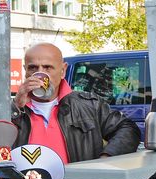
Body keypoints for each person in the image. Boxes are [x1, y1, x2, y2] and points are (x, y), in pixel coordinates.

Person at [11, 42, 140, 163]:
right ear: (25, 71)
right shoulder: (11, 109)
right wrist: (15, 107)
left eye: (47, 67)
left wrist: (105, 160)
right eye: (32, 67)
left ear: (63, 71)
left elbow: (128, 129)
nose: (40, 73)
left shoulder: (88, 105)